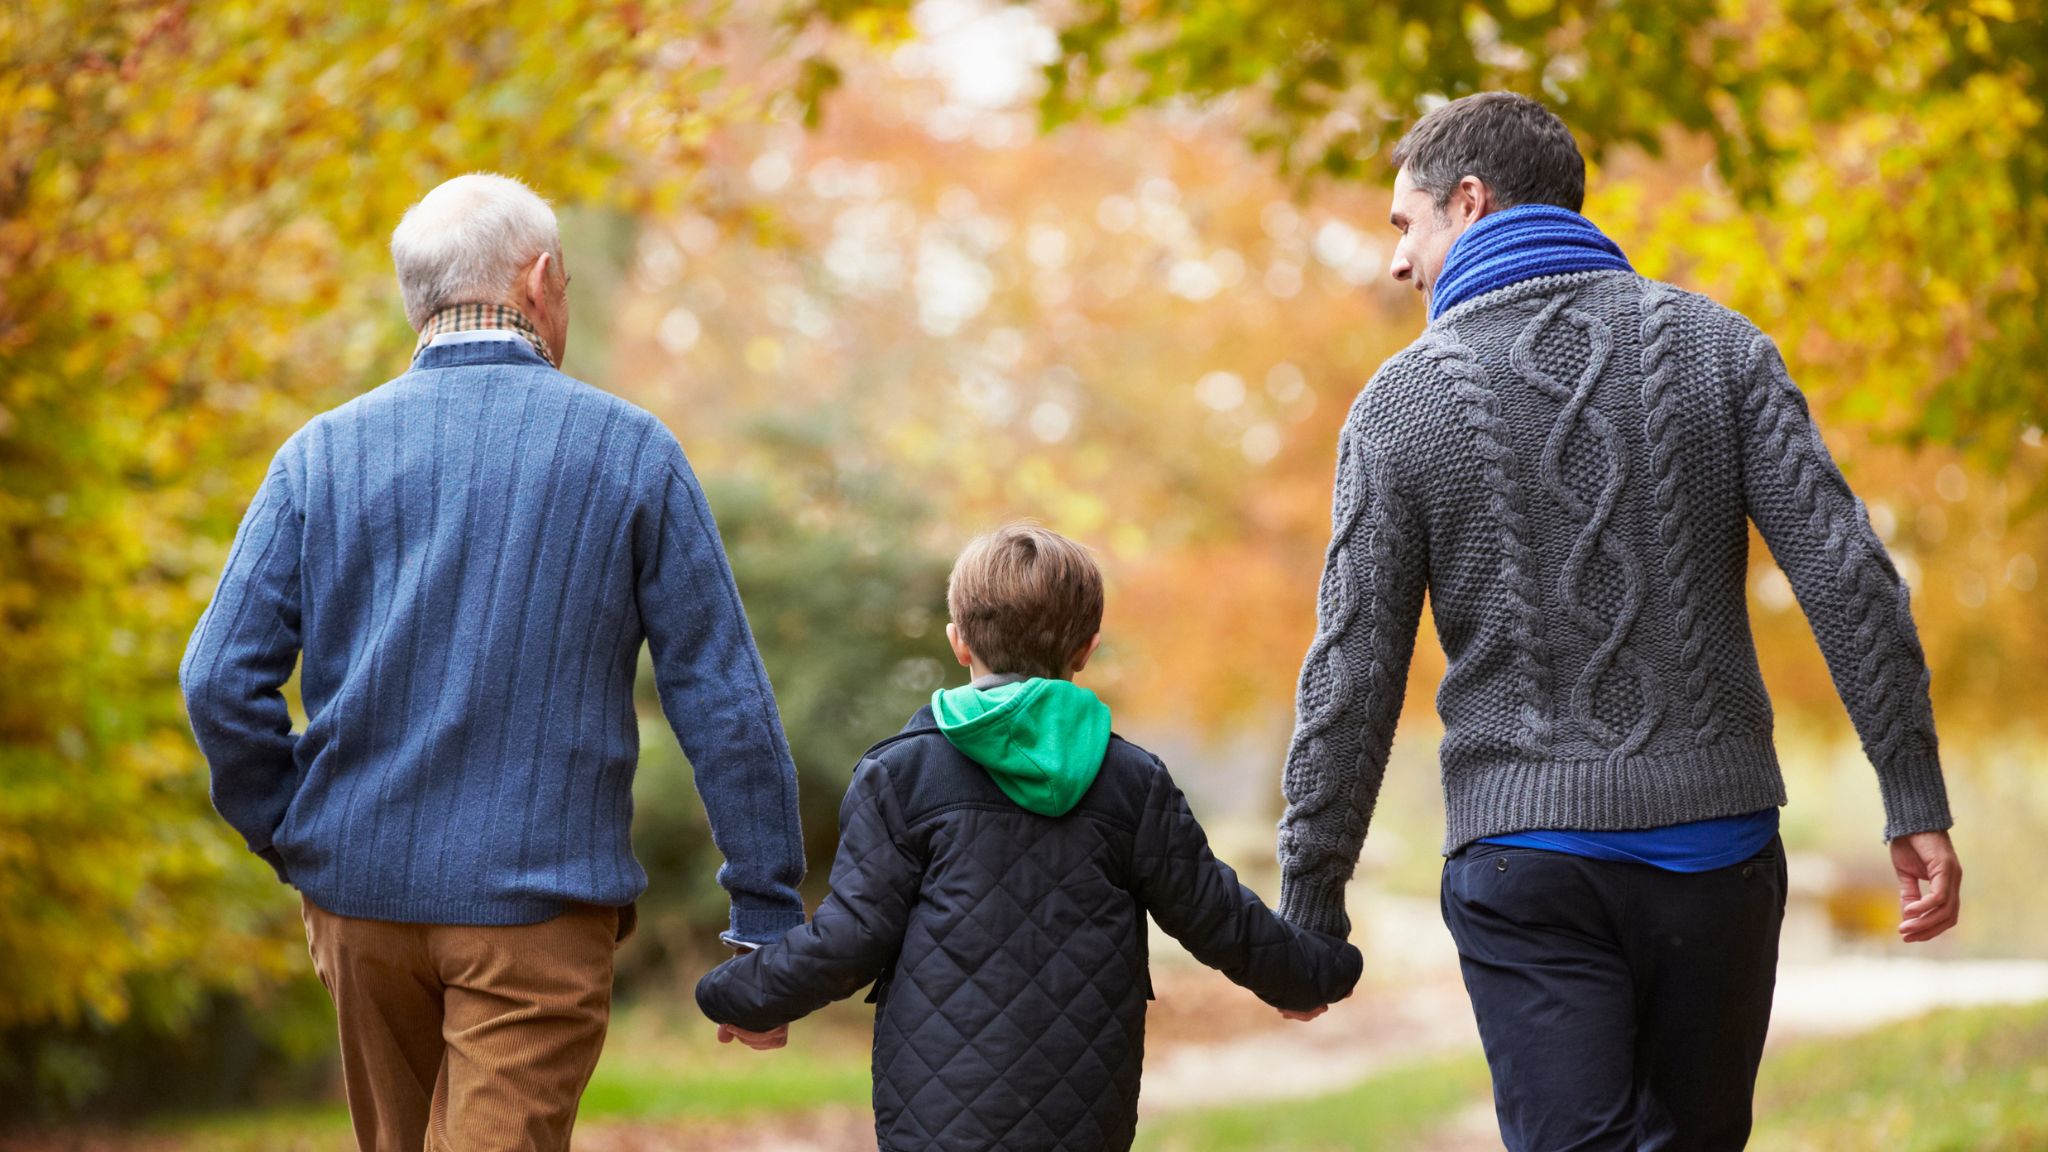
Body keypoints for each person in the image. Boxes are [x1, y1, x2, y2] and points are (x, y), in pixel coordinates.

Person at [1272, 92, 1962, 1151]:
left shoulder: (1397, 403)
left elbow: (1351, 668)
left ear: (1469, 199)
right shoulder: (1717, 349)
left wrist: (1310, 904)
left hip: (1524, 858)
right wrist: (1908, 788)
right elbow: (1845, 572)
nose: (1398, 263)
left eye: (1403, 225)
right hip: (1717, 852)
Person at [178, 173, 807, 1151]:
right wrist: (765, 917)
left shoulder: (319, 455)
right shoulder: (630, 453)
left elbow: (216, 681)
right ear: (542, 280)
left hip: (356, 900)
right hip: (538, 905)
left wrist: (297, 832)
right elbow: (722, 699)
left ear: (416, 296)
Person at [696, 523, 1361, 1152]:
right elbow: (1217, 916)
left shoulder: (901, 774)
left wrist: (742, 994)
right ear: (1086, 649)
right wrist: (1307, 978)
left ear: (959, 641)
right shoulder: (1132, 783)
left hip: (936, 1115)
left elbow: (851, 936)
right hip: (1085, 1114)